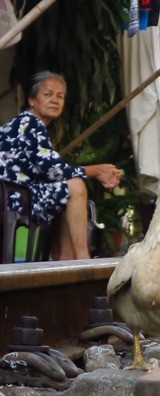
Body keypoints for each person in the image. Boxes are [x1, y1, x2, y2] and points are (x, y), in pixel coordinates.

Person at [0, 71, 121, 260]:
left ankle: (63, 263)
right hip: (13, 198)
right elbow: (55, 171)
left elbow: (48, 172)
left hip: (14, 196)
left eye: (60, 96)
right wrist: (97, 171)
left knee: (64, 193)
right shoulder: (30, 123)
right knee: (75, 187)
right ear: (31, 100)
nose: (55, 100)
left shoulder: (26, 123)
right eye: (47, 95)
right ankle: (82, 260)